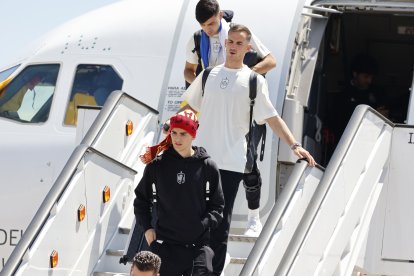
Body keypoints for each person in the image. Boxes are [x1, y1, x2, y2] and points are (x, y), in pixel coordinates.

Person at [182, 24, 316, 275]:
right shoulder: (208, 74)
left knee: (220, 223)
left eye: (238, 43)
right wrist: (167, 143)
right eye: (229, 42)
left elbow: (273, 118)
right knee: (194, 218)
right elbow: (187, 110)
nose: (232, 47)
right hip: (200, 159)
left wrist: (294, 145)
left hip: (231, 163)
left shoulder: (254, 81)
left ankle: (212, 271)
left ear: (248, 48)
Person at [134, 110, 225, 275]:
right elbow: (141, 200)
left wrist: (201, 224)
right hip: (165, 247)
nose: (177, 138)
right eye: (174, 133)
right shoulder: (157, 166)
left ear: (193, 135)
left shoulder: (207, 166)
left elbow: (217, 207)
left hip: (198, 248)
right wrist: (147, 227)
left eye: (183, 134)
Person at [184, 0, 276, 85]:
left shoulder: (239, 33)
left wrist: (244, 76)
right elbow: (188, 70)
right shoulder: (196, 38)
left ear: (220, 15)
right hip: (211, 95)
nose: (207, 29)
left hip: (238, 94)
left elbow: (271, 61)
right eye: (202, 24)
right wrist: (200, 86)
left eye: (211, 24)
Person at [331, 53, 387, 140]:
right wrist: (373, 116)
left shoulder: (377, 93)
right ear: (355, 74)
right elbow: (341, 122)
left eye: (371, 77)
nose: (369, 81)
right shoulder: (343, 96)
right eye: (366, 77)